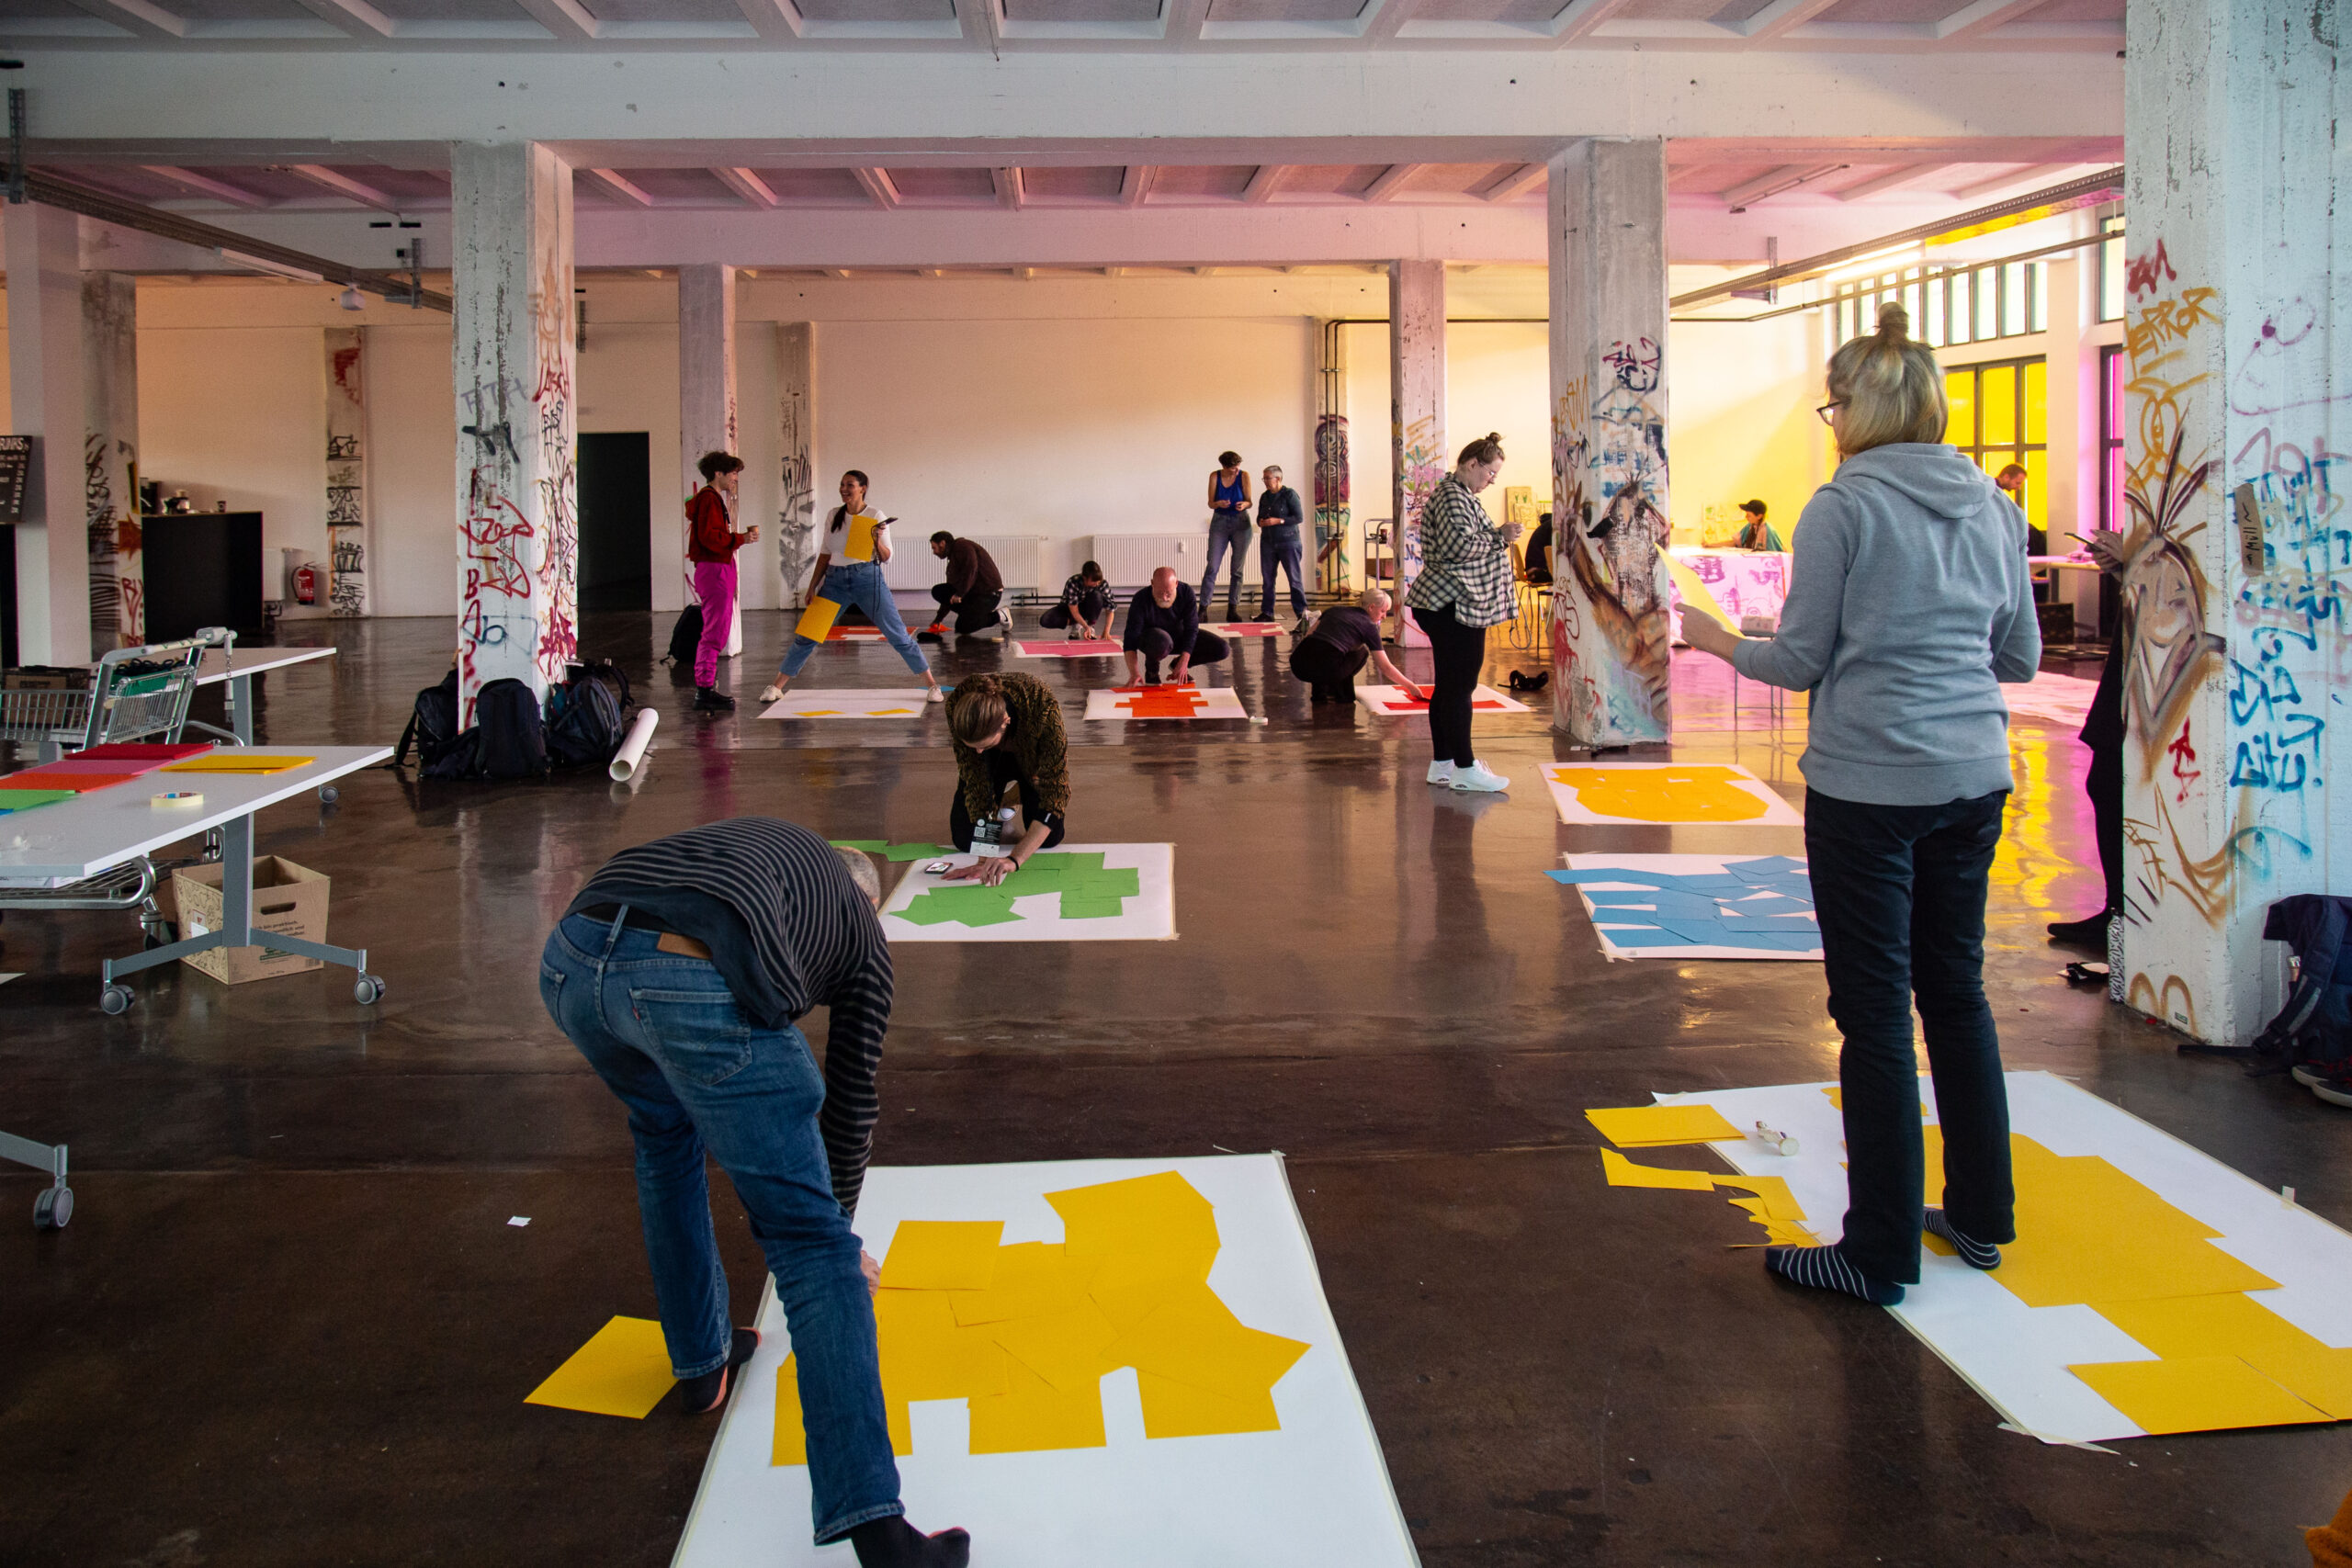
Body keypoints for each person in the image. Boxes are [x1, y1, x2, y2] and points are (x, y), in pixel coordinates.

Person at [1679, 302, 2041, 1306]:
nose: (1830, 423)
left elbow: (1797, 662)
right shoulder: (1994, 507)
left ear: (1860, 410)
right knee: (1955, 993)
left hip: (1869, 787)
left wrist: (1715, 638)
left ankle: (1875, 1253)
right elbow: (2017, 655)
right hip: (1974, 777)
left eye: (1833, 406)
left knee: (1875, 1012)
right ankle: (1981, 1215)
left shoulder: (1843, 507)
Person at [542, 820, 971, 1568]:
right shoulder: (863, 935)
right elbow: (851, 1100)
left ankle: (701, 1363)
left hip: (572, 959)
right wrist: (837, 1231)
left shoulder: (772, 852)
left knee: (664, 1139)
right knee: (811, 1245)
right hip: (681, 971)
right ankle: (880, 1533)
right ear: (870, 904)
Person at [762, 472, 944, 706]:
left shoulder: (875, 515)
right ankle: (776, 687)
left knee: (897, 634)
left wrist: (876, 538)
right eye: (842, 484)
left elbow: (887, 557)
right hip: (834, 582)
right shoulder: (833, 515)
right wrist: (812, 586)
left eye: (850, 485)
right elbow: (825, 553)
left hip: (867, 579)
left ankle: (932, 685)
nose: (844, 489)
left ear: (863, 489)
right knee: (808, 635)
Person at [1405, 432, 1520, 794]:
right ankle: (1466, 768)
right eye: (1490, 473)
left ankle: (1443, 763)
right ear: (1472, 464)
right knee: (1459, 688)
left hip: (1449, 603)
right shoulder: (1454, 496)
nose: (1492, 481)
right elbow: (1459, 547)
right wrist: (1500, 536)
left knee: (1449, 687)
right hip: (1453, 604)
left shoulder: (1458, 494)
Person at [2048, 529, 2130, 950]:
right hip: (2132, 670)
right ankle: (2117, 909)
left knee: (2110, 784)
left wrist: (2134, 562)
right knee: (2106, 784)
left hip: (2147, 675)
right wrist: (2123, 569)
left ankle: (2121, 911)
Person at [941, 673, 1069, 885]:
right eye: (974, 746)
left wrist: (1014, 860)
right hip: (992, 761)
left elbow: (1055, 795)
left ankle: (1014, 796)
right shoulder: (959, 707)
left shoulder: (1043, 705)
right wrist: (983, 860)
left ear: (1005, 721)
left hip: (1032, 762)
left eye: (984, 745)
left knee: (1049, 839)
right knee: (965, 840)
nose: (978, 751)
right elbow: (977, 783)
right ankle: (1002, 797)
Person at [685, 451, 758, 712]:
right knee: (714, 631)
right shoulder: (710, 499)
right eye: (733, 473)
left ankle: (706, 686)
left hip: (717, 568)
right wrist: (740, 539)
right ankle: (704, 689)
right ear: (719, 473)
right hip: (715, 569)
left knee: (717, 629)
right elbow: (710, 538)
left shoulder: (711, 498)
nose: (735, 478)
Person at [1290, 587, 1412, 704]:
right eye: (1383, 611)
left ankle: (1321, 693)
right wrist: (1410, 686)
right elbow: (1385, 667)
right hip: (1326, 668)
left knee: (1324, 652)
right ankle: (1343, 695)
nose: (1384, 617)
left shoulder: (1334, 610)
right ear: (1371, 607)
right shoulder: (1369, 626)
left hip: (1298, 664)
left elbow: (1308, 634)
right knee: (1361, 652)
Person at [1122, 567, 1231, 687]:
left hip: (1178, 636)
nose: (1164, 598)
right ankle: (1152, 671)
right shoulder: (1141, 598)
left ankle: (1177, 664)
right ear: (1152, 584)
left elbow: (1192, 629)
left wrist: (1184, 661)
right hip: (1153, 641)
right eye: (1160, 593)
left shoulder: (1186, 593)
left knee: (1222, 649)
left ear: (1176, 584)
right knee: (1161, 640)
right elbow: (1130, 639)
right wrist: (1134, 673)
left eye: (1168, 593)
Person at [1200, 451, 1253, 622]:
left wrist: (1244, 504)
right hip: (1220, 522)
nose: (1236, 471)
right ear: (1224, 467)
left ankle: (1233, 608)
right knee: (1212, 566)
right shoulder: (1215, 476)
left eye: (1238, 468)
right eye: (1232, 469)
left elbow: (1250, 501)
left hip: (1241, 523)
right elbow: (1210, 503)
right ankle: (1203, 608)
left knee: (1237, 569)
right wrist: (1218, 504)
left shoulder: (1244, 476)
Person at [1255, 464, 1308, 628]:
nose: (1265, 481)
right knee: (1268, 579)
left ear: (1278, 478)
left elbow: (1298, 517)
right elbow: (1258, 517)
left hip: (1288, 542)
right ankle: (1267, 612)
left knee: (1294, 579)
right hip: (1268, 542)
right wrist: (1261, 522)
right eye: (1264, 478)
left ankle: (1302, 614)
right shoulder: (1264, 497)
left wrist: (1278, 521)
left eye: (1267, 478)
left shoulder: (1289, 494)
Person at [927, 532, 1007, 637]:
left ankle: (1000, 615)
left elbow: (971, 570)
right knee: (939, 591)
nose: (934, 552)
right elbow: (950, 594)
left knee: (964, 627)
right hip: (973, 594)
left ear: (942, 543)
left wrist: (960, 594)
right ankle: (969, 615)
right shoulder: (952, 563)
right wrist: (938, 620)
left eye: (934, 548)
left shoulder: (963, 546)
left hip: (989, 595)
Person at [1039, 561, 1114, 640]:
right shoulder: (1073, 582)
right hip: (1069, 609)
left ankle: (1091, 626)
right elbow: (1074, 610)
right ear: (1085, 578)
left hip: (1087, 609)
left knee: (1097, 595)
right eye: (1094, 581)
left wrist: (1106, 631)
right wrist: (1085, 627)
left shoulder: (1102, 584)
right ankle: (1076, 623)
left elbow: (1110, 610)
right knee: (1045, 620)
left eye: (1098, 581)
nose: (1097, 584)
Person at [1521, 512, 1554, 585]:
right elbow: (1552, 551)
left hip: (1532, 570)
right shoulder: (1552, 527)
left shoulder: (1545, 527)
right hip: (1537, 572)